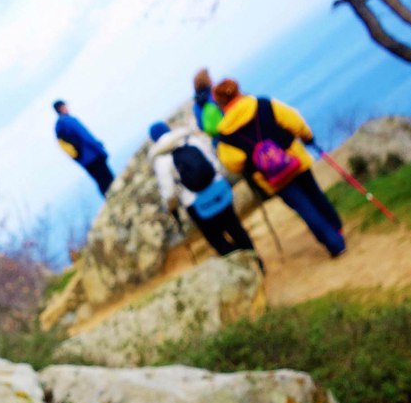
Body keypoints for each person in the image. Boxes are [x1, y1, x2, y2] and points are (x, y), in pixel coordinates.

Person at [213, 78, 346, 258]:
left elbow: (233, 163)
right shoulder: (264, 104)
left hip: (270, 176)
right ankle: (336, 229)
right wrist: (307, 137)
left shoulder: (225, 134)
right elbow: (294, 121)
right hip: (294, 159)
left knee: (303, 207)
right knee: (315, 194)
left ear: (220, 103)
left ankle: (333, 243)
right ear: (238, 90)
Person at [148, 121, 257, 260]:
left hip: (195, 203)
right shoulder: (191, 139)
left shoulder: (162, 160)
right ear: (168, 129)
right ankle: (255, 259)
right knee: (236, 228)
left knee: (216, 239)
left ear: (154, 140)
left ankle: (241, 267)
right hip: (218, 189)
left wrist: (171, 208)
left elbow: (169, 193)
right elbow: (214, 162)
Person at [54, 100, 114, 196]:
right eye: (65, 106)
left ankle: (110, 203)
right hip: (92, 155)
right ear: (61, 108)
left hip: (83, 160)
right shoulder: (69, 120)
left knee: (100, 182)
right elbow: (85, 136)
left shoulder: (57, 128)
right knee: (108, 179)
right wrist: (100, 149)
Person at [192, 68, 224, 138]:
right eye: (209, 77)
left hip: (216, 138)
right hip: (229, 131)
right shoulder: (214, 93)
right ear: (206, 80)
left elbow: (201, 126)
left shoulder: (196, 105)